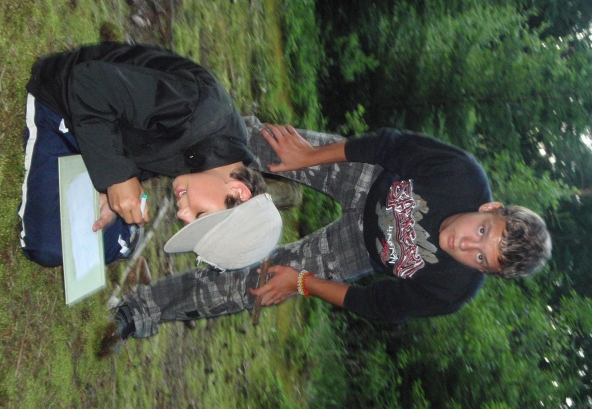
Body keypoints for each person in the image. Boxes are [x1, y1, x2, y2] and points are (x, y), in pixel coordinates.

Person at [100, 116, 551, 353]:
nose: (465, 245)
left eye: (480, 258)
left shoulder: (451, 290)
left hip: (361, 250)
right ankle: (140, 136)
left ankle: (139, 313)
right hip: (369, 174)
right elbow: (388, 144)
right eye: (482, 231)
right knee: (262, 146)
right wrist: (306, 156)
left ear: (483, 272)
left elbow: (377, 305)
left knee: (255, 285)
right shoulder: (461, 175)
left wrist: (299, 282)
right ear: (490, 208)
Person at [19, 42, 276, 267]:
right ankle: (123, 230)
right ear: (238, 191)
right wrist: (116, 178)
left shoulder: (217, 159)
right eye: (200, 215)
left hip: (100, 138)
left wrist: (112, 192)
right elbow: (88, 81)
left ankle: (123, 230)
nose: (182, 215)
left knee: (93, 239)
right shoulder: (195, 108)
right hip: (63, 104)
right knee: (47, 245)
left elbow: (148, 146)